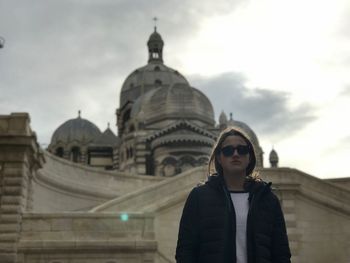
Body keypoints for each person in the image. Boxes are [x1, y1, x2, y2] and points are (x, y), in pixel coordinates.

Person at [175, 127, 291, 263]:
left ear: (250, 156)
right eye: (228, 150)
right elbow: (185, 251)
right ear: (219, 157)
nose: (235, 154)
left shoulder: (268, 199)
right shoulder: (199, 197)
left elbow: (281, 253)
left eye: (242, 150)